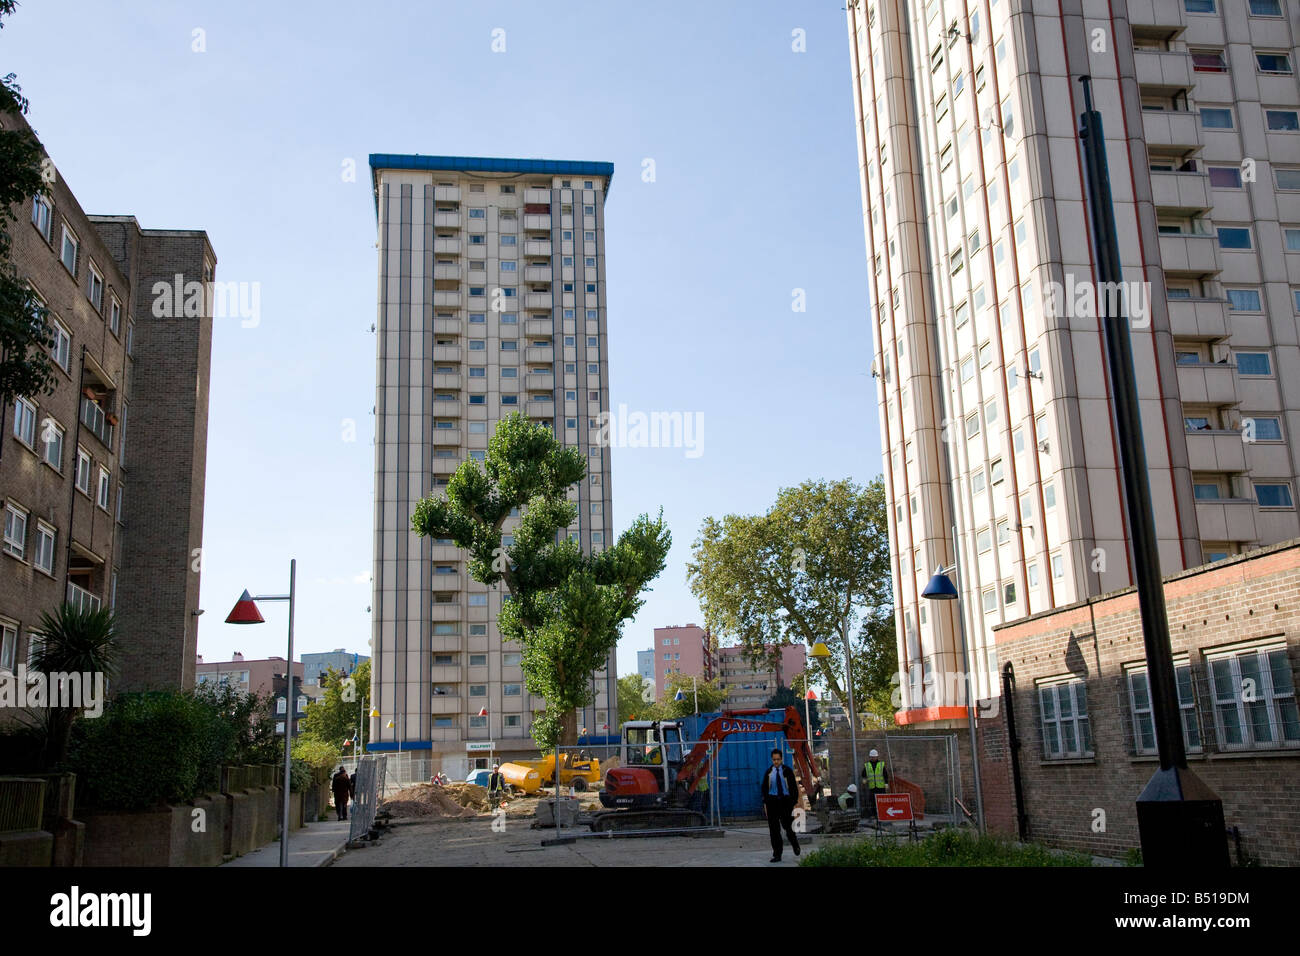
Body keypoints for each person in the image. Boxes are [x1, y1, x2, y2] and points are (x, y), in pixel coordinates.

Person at [759, 748, 800, 862]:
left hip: (785, 802)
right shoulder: (769, 772)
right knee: (774, 830)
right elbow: (764, 788)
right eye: (774, 760)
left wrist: (793, 801)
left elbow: (793, 787)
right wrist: (766, 801)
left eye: (778, 759)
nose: (776, 762)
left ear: (781, 759)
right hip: (773, 802)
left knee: (788, 827)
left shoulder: (787, 771)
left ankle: (795, 844)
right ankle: (777, 854)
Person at [861, 749, 890, 819]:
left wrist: (886, 783)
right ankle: (874, 814)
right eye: (872, 757)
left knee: (881, 801)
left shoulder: (881, 764)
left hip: (881, 786)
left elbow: (885, 774)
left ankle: (882, 814)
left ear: (877, 757)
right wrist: (864, 779)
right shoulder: (867, 765)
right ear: (870, 757)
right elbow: (863, 773)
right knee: (873, 801)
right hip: (872, 787)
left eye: (874, 757)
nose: (873, 758)